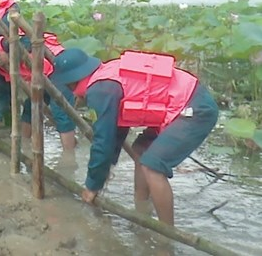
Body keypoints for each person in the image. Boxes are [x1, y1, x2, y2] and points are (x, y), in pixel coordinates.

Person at [51, 48, 219, 225]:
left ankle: (166, 235)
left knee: (153, 166)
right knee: (140, 150)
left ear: (72, 82)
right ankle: (142, 213)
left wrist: (93, 185)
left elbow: (103, 140)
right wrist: (105, 169)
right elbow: (116, 130)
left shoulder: (99, 90)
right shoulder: (106, 76)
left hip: (194, 109)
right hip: (181, 103)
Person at [0, 32, 77, 151]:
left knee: (61, 113)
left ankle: (69, 157)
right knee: (30, 107)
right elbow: (5, 91)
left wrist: (10, 56)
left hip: (57, 66)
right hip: (41, 76)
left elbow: (27, 41)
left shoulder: (1, 45)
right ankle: (25, 147)